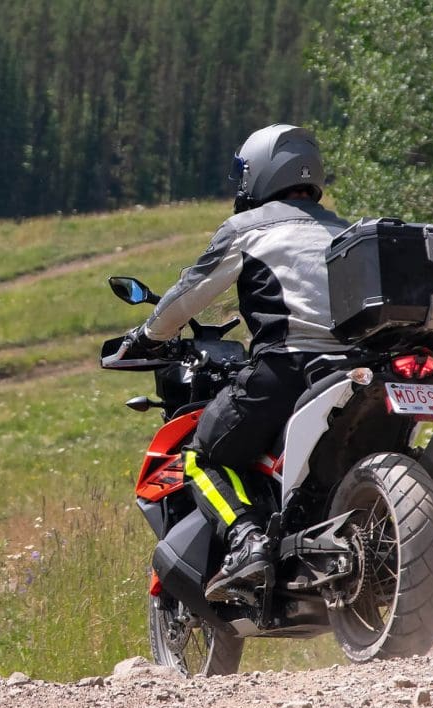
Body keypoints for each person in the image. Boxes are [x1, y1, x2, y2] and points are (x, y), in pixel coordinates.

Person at [121, 124, 351, 602]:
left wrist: (146, 336)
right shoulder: (345, 229)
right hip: (356, 369)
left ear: (260, 173)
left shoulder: (250, 229)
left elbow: (188, 295)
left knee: (203, 452)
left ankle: (248, 540)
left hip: (290, 367)